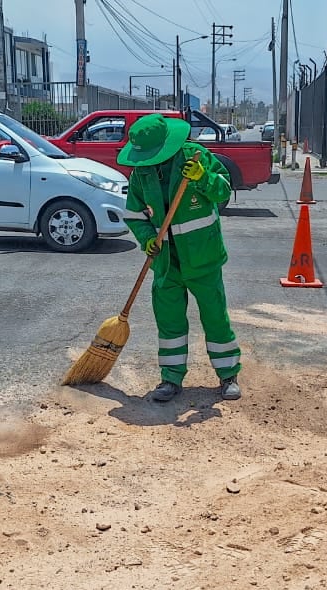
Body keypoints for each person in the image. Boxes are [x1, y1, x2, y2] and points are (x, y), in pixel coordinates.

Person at [117, 113, 242, 402]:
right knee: (169, 322)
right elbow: (135, 215)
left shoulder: (196, 158)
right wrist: (147, 238)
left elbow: (223, 191)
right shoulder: (141, 174)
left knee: (215, 317)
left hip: (202, 257)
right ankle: (171, 378)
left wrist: (203, 178)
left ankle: (228, 375)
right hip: (165, 263)